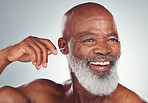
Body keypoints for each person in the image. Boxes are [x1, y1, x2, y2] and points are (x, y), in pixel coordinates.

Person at [0, 2, 146, 103]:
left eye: (112, 40)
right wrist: (5, 56)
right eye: (89, 40)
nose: (104, 49)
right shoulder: (42, 95)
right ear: (63, 46)